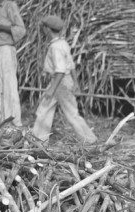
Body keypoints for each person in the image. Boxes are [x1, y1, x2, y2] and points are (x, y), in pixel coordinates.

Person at [31, 15, 98, 144]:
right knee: (44, 110)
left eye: (44, 28)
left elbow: (61, 70)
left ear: (47, 29)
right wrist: (75, 82)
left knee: (70, 113)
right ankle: (39, 139)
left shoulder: (55, 47)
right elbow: (71, 65)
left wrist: (52, 89)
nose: (43, 30)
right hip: (63, 81)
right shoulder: (63, 43)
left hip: (59, 82)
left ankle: (89, 140)